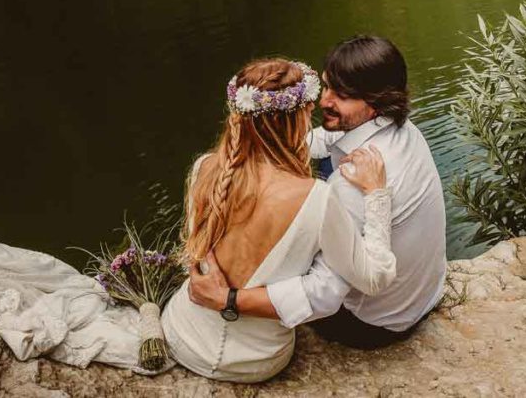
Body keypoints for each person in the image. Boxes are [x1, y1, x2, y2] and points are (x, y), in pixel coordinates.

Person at [188, 36, 448, 350]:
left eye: (342, 95)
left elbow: (323, 292)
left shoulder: (348, 186)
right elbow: (323, 140)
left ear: (376, 101)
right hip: (424, 295)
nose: (325, 101)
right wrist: (269, 144)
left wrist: (229, 299)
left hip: (374, 322)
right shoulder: (404, 130)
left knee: (288, 226)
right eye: (326, 87)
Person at [161, 57, 397, 382]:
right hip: (252, 361)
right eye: (307, 112)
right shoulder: (316, 197)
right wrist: (376, 195)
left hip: (181, 332)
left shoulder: (205, 168)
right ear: (297, 119)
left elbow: (197, 254)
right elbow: (375, 278)